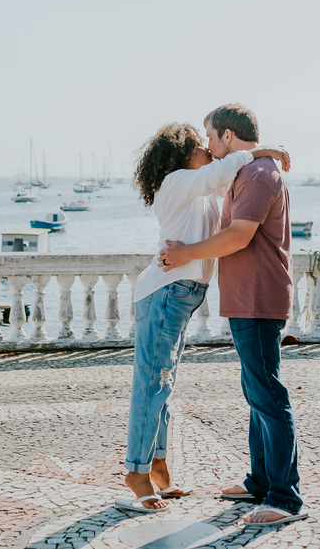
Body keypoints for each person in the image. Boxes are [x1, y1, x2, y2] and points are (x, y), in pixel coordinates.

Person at [116, 121, 290, 515]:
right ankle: (136, 472)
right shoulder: (177, 181)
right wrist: (265, 150)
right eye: (199, 145)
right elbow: (220, 171)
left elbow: (223, 187)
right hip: (163, 292)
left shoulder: (199, 187)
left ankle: (157, 463)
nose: (208, 149)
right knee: (151, 384)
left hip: (181, 294)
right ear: (180, 155)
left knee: (165, 382)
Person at [158, 103, 306, 525]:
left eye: (210, 137)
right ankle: (260, 482)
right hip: (248, 296)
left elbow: (239, 236)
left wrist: (185, 253)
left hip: (259, 296)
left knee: (269, 395)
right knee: (257, 393)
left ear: (227, 135)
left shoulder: (259, 175)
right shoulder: (251, 170)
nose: (206, 145)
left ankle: (284, 498)